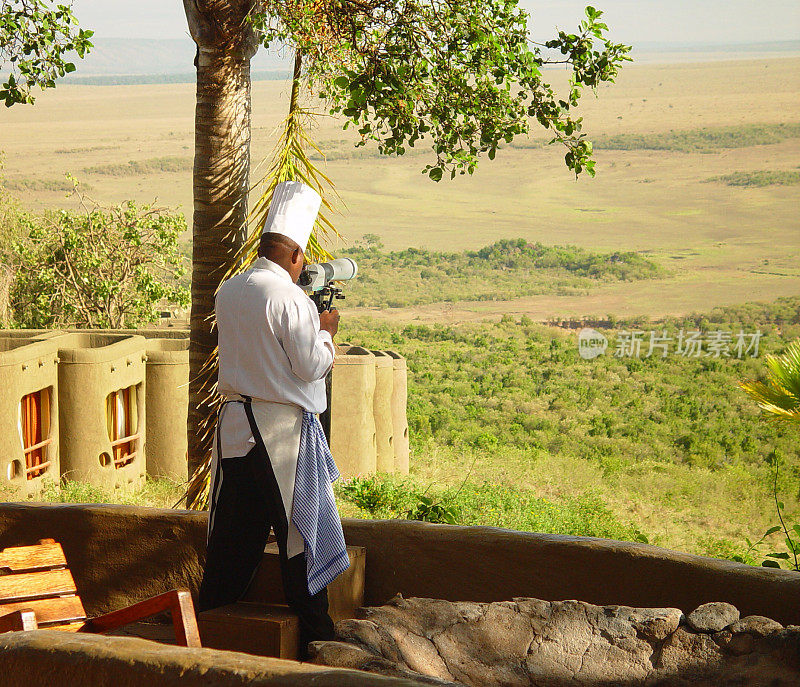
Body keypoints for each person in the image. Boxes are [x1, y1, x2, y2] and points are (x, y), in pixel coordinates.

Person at [198, 180, 349, 659]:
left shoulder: (230, 289)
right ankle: (318, 632)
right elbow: (309, 367)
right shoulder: (290, 300)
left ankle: (209, 623)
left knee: (232, 533)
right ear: (298, 255)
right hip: (280, 431)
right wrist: (326, 335)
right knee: (296, 533)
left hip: (235, 426)